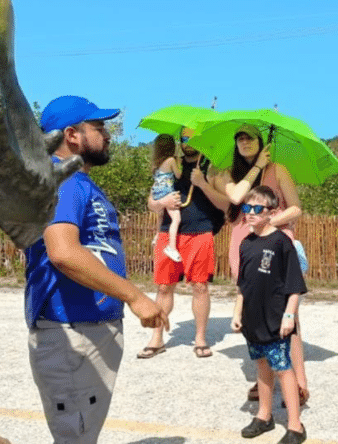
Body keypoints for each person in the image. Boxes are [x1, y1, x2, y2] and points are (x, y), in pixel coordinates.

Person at [26, 95, 169, 443]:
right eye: (100, 128)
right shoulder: (63, 181)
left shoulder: (79, 182)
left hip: (88, 327)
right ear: (72, 135)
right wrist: (134, 297)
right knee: (76, 435)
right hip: (72, 329)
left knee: (83, 432)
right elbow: (63, 252)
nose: (108, 135)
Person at [224, 123, 309, 405]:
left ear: (262, 142)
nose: (244, 142)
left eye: (250, 138)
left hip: (275, 240)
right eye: (240, 139)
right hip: (244, 243)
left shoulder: (278, 170)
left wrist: (269, 221)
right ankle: (264, 382)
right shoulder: (231, 174)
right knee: (252, 308)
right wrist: (256, 166)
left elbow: (296, 206)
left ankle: (298, 380)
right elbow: (236, 198)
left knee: (287, 313)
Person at [138, 126, 229, 359]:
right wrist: (162, 202)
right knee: (163, 286)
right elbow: (151, 201)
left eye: (192, 137)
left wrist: (203, 184)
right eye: (183, 137)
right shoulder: (170, 164)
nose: (187, 141)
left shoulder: (212, 168)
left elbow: (227, 204)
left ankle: (200, 338)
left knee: (199, 286)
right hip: (169, 232)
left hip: (200, 231)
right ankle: (157, 339)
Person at [232, 186, 308, 444]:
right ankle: (264, 416)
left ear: (272, 212)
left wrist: (289, 316)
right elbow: (242, 285)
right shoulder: (246, 243)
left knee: (283, 368)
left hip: (276, 319)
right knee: (261, 366)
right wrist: (237, 313)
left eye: (257, 209)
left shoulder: (281, 242)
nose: (250, 213)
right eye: (246, 208)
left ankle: (295, 425)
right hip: (253, 320)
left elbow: (295, 285)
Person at [150, 133, 183, 262]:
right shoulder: (171, 160)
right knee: (176, 219)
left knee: (161, 215)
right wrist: (179, 164)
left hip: (157, 192)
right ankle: (172, 247)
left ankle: (157, 235)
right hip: (167, 192)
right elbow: (179, 175)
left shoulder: (157, 164)